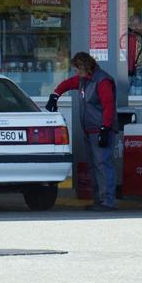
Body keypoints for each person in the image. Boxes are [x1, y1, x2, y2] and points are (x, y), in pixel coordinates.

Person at [46, 52, 118, 211]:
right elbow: (67, 84)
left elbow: (108, 106)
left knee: (103, 165)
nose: (76, 73)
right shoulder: (84, 80)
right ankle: (99, 200)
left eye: (77, 69)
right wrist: (55, 95)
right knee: (94, 166)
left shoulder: (102, 81)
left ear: (84, 66)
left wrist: (105, 128)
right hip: (89, 130)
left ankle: (108, 202)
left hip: (100, 130)